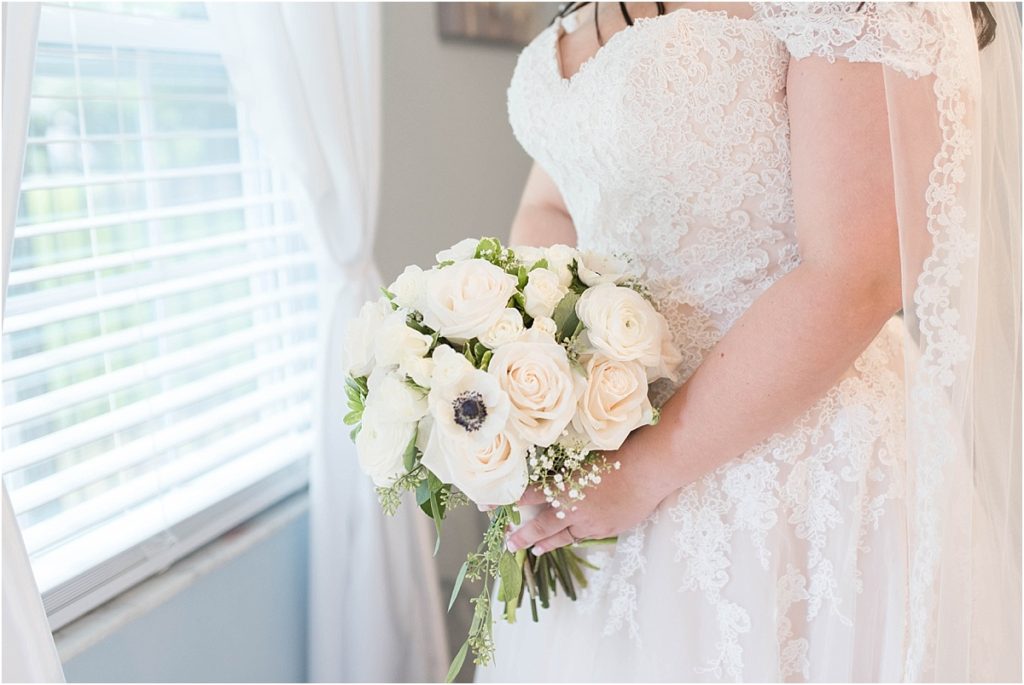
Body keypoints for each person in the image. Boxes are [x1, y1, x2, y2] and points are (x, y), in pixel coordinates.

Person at [474, 2, 1021, 681]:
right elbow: (554, 202)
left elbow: (857, 273)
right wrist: (525, 381)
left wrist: (641, 473)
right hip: (602, 461)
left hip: (787, 475)